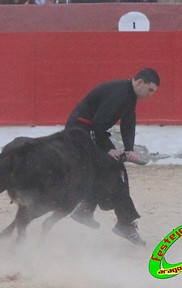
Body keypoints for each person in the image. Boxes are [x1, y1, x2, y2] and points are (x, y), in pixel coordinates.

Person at [65, 68, 160, 246]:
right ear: (140, 82)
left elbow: (128, 122)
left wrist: (129, 149)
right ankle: (121, 222)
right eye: (150, 90)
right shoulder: (121, 94)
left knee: (111, 169)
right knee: (114, 168)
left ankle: (88, 210)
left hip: (86, 131)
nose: (150, 95)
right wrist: (107, 149)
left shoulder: (127, 94)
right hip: (80, 133)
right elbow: (98, 124)